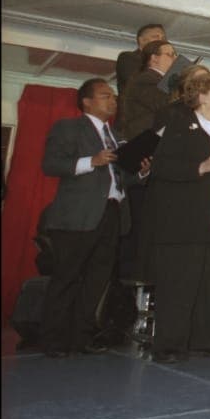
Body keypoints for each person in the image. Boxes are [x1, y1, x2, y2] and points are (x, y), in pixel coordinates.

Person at [144, 72, 210, 362]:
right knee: (179, 283)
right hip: (185, 220)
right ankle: (168, 344)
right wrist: (198, 168)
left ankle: (203, 338)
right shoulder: (178, 127)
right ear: (200, 97)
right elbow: (160, 168)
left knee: (208, 284)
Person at [39, 79, 140, 357]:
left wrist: (140, 169)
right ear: (86, 101)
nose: (113, 101)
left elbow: (123, 177)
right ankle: (53, 340)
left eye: (114, 97)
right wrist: (90, 161)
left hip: (111, 214)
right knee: (66, 278)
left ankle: (80, 337)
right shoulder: (68, 127)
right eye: (105, 96)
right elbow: (50, 164)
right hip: (77, 216)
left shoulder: (117, 136)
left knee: (98, 280)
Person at [117, 39, 178, 138]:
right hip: (143, 140)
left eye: (175, 55)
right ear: (154, 58)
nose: (175, 58)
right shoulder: (146, 79)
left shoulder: (159, 80)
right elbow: (163, 104)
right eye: (170, 55)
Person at [116, 23, 165, 94]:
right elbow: (138, 83)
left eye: (163, 38)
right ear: (142, 40)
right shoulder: (128, 57)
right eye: (156, 37)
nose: (161, 41)